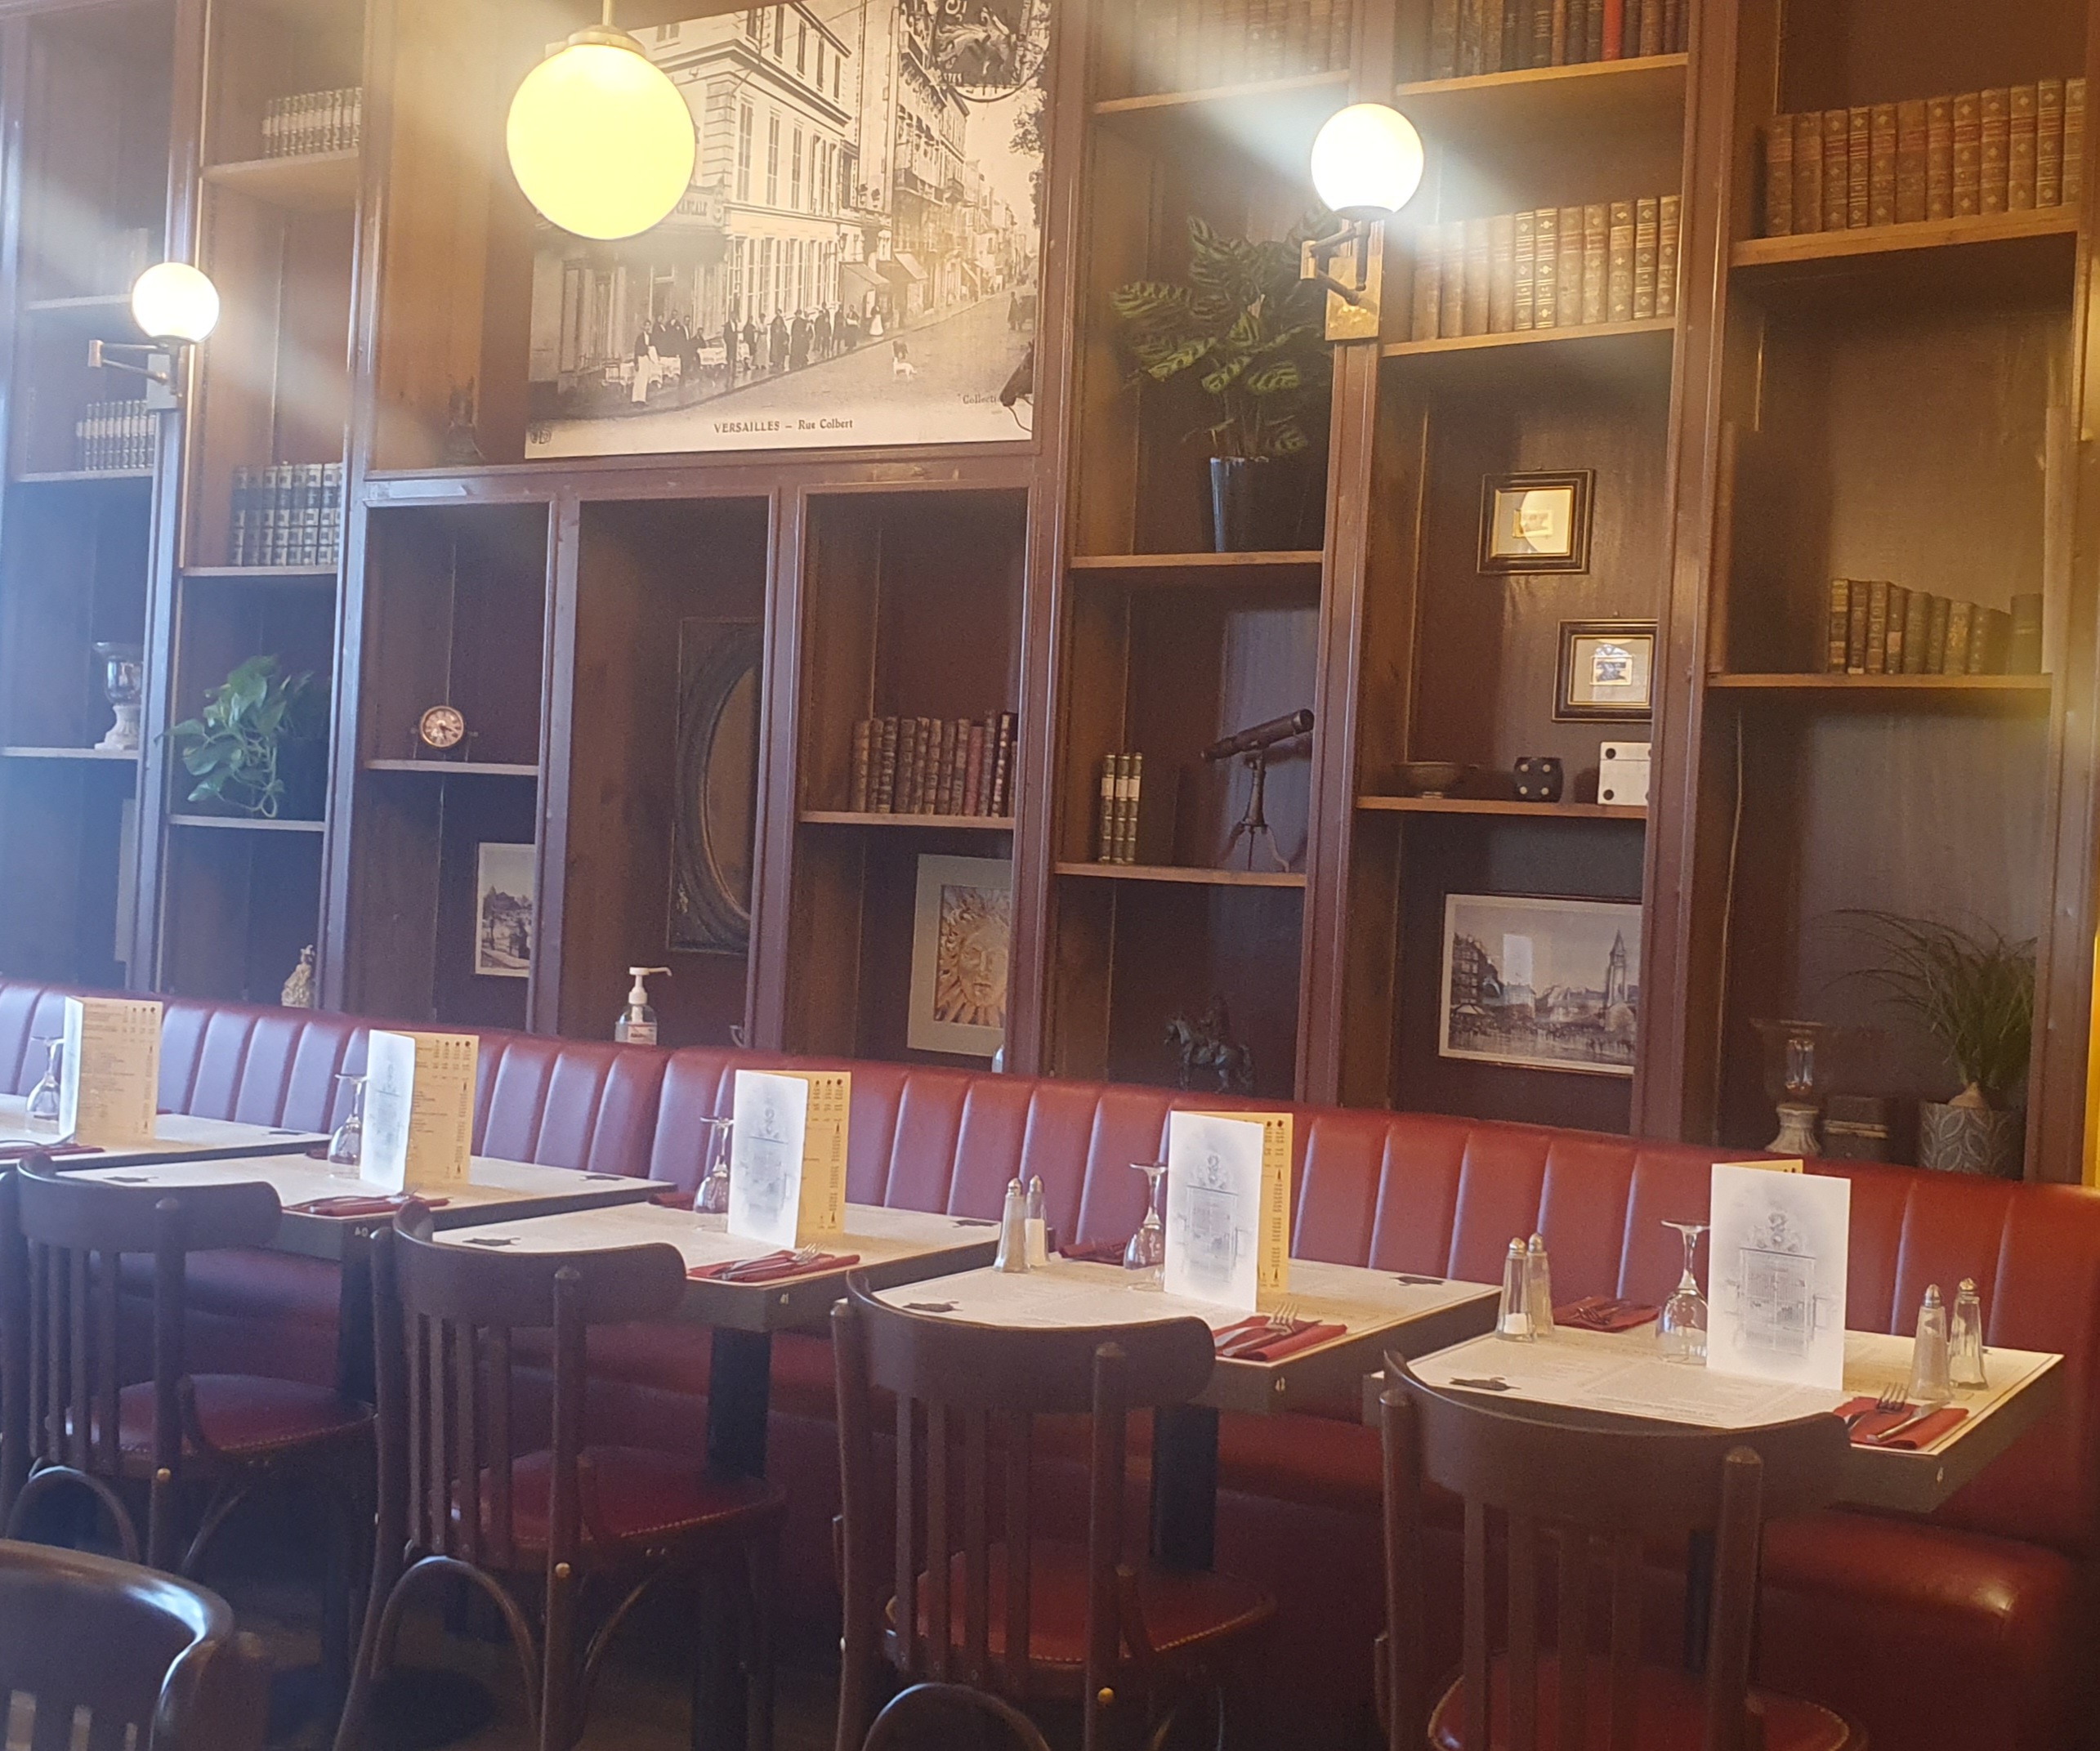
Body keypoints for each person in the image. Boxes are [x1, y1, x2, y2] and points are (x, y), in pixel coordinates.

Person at [770, 310, 789, 375]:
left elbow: (785, 332)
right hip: (776, 340)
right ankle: (776, 362)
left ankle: (781, 362)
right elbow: (772, 330)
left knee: (781, 352)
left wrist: (785, 339)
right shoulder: (774, 324)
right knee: (775, 351)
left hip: (781, 341)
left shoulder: (782, 326)